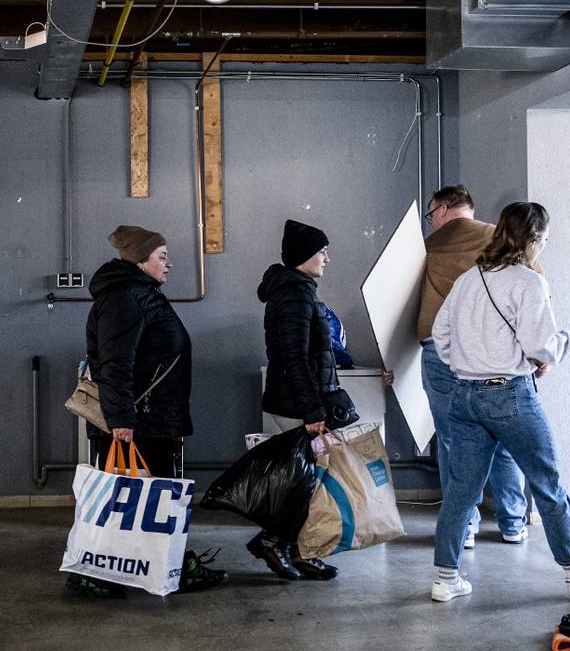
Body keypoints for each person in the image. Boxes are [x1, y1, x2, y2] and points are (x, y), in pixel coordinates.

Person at [429, 201, 570, 602]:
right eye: (543, 240)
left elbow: (440, 335)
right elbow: (542, 347)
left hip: (464, 395)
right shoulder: (529, 282)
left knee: (461, 493)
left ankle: (446, 579)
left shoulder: (468, 279)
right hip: (509, 395)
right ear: (532, 239)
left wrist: (469, 363)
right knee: (547, 485)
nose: (543, 247)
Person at [67, 224, 228, 598]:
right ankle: (94, 572)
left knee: (147, 501)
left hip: (151, 418)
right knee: (134, 500)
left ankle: (165, 565)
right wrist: (122, 420)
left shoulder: (140, 294)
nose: (169, 263)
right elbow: (116, 362)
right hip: (139, 421)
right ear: (141, 261)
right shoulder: (126, 297)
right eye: (162, 256)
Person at [418, 185, 528, 548]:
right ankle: (513, 522)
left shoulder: (423, 249)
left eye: (432, 213)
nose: (431, 221)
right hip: (497, 354)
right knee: (504, 440)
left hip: (441, 352)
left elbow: (401, 306)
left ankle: (464, 526)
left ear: (445, 208)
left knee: (452, 439)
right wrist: (536, 354)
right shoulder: (500, 239)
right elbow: (534, 289)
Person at [253, 219, 355, 582]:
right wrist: (312, 410)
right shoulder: (295, 294)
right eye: (321, 251)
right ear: (303, 256)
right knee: (302, 484)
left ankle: (302, 551)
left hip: (299, 400)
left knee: (308, 482)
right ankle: (273, 541)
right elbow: (295, 357)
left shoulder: (298, 290)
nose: (326, 258)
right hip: (297, 405)